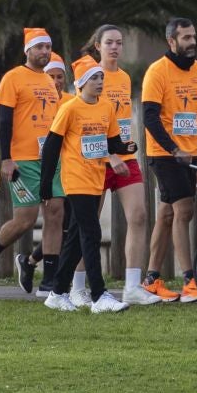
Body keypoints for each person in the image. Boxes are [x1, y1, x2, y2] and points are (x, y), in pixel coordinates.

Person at [0, 28, 66, 297]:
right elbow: (4, 121)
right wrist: (7, 159)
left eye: (48, 48)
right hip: (24, 159)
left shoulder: (50, 83)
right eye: (39, 47)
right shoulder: (13, 78)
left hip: (51, 159)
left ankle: (49, 280)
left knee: (56, 214)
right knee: (25, 219)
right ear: (27, 50)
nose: (45, 52)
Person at [39, 57, 135, 313]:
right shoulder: (70, 108)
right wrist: (45, 185)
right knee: (92, 233)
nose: (100, 82)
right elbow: (51, 147)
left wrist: (126, 149)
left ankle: (57, 292)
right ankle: (99, 295)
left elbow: (113, 143)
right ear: (81, 83)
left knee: (76, 241)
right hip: (75, 180)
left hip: (95, 180)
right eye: (94, 78)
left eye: (101, 78)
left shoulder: (106, 108)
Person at [140, 17, 197, 303]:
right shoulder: (157, 72)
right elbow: (149, 116)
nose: (192, 43)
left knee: (166, 216)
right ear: (171, 41)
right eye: (186, 38)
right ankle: (190, 280)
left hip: (190, 154)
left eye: (193, 37)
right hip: (164, 154)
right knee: (184, 211)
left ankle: (152, 279)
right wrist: (173, 148)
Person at [86, 24, 161, 305]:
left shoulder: (126, 78)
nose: (115, 47)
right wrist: (110, 155)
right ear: (98, 46)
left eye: (119, 43)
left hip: (125, 158)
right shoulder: (90, 77)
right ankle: (79, 287)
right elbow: (90, 123)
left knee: (139, 215)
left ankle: (132, 286)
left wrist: (124, 149)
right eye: (109, 43)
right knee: (89, 223)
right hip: (96, 160)